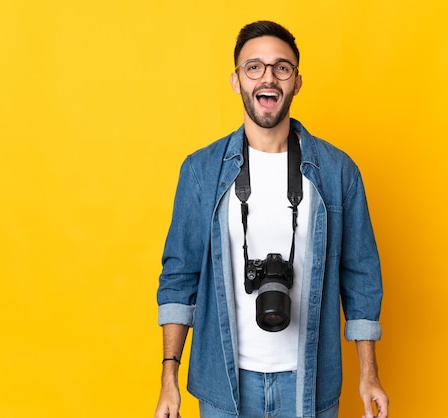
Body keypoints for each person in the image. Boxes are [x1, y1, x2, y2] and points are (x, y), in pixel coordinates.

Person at [154, 20, 388, 418]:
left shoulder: (337, 172)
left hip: (310, 381)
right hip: (222, 384)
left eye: (282, 67)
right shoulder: (201, 170)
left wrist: (370, 374)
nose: (269, 77)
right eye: (254, 67)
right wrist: (168, 380)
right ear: (236, 80)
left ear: (297, 82)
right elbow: (179, 278)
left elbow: (361, 275)